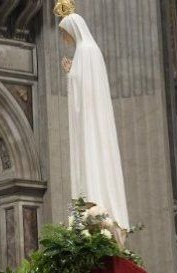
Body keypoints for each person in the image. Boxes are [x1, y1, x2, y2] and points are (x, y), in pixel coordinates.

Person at [56, 0, 130, 230]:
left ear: (73, 30)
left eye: (65, 34)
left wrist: (71, 75)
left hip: (90, 119)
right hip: (87, 118)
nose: (64, 39)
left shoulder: (86, 51)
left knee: (91, 156)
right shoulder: (87, 51)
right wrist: (72, 75)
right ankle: (88, 210)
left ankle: (95, 205)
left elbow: (86, 90)